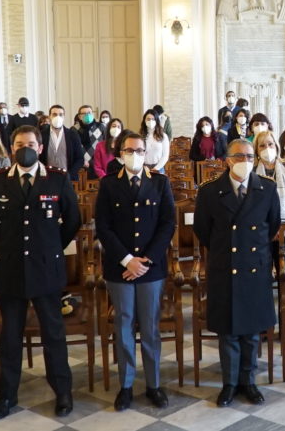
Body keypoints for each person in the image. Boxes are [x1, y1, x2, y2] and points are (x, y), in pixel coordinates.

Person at [0, 125, 80, 421]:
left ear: (40, 148)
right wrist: (11, 247)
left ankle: (62, 391)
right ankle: (7, 394)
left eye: (31, 143)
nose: (26, 147)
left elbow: (72, 220)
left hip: (47, 269)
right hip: (11, 269)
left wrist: (50, 247)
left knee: (53, 334)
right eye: (20, 143)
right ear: (12, 148)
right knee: (10, 337)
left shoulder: (57, 180)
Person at [193, 139, 280, 407]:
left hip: (255, 267)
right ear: (227, 160)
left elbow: (273, 225)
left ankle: (249, 382)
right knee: (228, 331)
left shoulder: (267, 188)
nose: (245, 161)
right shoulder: (209, 192)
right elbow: (203, 230)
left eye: (250, 156)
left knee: (252, 331)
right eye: (239, 156)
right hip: (224, 268)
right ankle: (230, 384)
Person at [95, 132, 176, 411]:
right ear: (120, 154)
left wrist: (145, 260)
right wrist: (127, 260)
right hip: (120, 269)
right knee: (124, 325)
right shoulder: (108, 185)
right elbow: (103, 227)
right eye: (129, 150)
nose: (135, 155)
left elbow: (168, 224)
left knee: (151, 328)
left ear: (146, 153)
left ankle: (153, 385)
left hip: (151, 269)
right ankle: (126, 385)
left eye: (139, 150)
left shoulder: (160, 183)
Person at [253, 131, 285, 221]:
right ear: (256, 150)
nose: (267, 148)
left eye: (270, 144)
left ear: (276, 146)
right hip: (260, 222)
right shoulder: (252, 170)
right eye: (262, 146)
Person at [39, 105, 84, 182]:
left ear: (64, 117)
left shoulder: (72, 135)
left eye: (60, 115)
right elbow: (38, 157)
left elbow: (80, 159)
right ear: (49, 116)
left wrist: (70, 175)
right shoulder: (41, 135)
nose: (58, 117)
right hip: (47, 179)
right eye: (54, 114)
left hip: (68, 179)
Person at [73, 104, 104, 178]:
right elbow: (74, 148)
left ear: (92, 114)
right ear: (79, 116)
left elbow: (105, 145)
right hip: (81, 165)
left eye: (89, 112)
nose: (87, 115)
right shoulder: (74, 129)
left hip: (98, 164)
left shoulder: (101, 127)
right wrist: (82, 160)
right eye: (84, 113)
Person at [140, 109, 171, 173]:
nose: (150, 121)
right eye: (148, 119)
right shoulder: (140, 136)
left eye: (153, 119)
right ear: (144, 121)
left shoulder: (163, 136)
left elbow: (165, 156)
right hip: (144, 168)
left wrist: (156, 168)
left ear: (156, 121)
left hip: (158, 168)